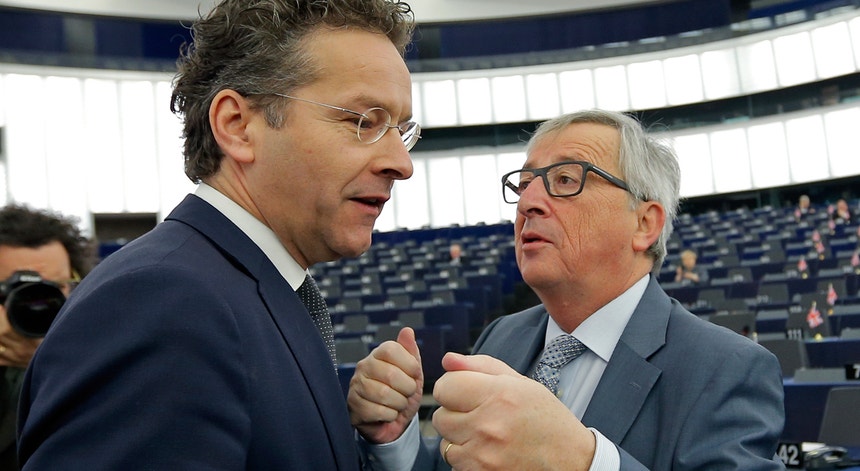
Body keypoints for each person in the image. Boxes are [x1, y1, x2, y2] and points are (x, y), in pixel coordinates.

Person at [17, 0, 417, 468]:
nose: (402, 163)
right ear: (237, 126)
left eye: (402, 130)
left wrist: (376, 445)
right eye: (362, 121)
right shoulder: (165, 302)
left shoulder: (242, 289)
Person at [347, 110, 784, 470]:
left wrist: (584, 462)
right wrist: (396, 440)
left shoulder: (727, 368)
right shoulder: (501, 337)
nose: (527, 203)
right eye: (524, 184)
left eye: (565, 180)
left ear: (644, 223)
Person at [0, 204, 95, 470]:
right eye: (17, 289)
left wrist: (52, 366)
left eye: (52, 288)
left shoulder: (100, 349)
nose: (36, 304)